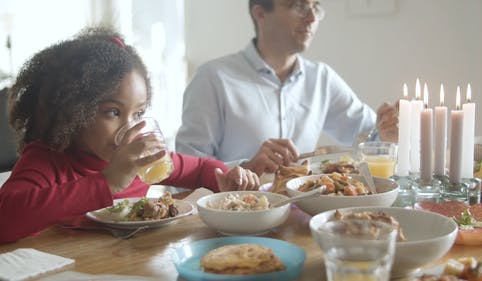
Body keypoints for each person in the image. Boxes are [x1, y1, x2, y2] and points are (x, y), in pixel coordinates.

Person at [0, 27, 259, 243]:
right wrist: (108, 182)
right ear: (74, 112)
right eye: (113, 112)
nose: (130, 128)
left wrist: (225, 178)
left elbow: (200, 168)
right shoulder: (47, 162)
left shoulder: (141, 160)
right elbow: (5, 219)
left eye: (138, 114)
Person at [176, 0, 398, 176]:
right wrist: (245, 168)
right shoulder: (213, 79)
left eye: (315, 7)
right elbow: (184, 175)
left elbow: (369, 140)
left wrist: (387, 132)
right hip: (234, 223)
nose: (311, 18)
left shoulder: (321, 79)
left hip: (302, 221)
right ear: (260, 14)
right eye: (298, 6)